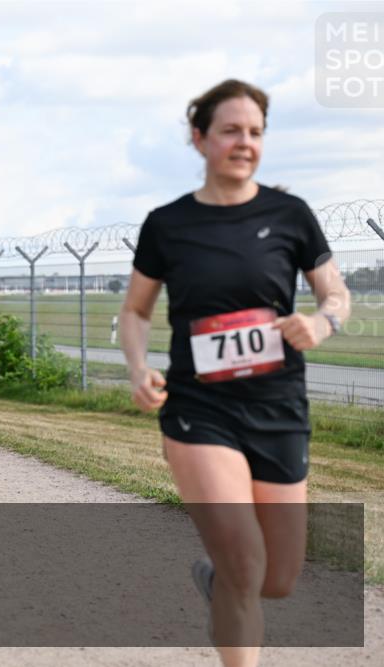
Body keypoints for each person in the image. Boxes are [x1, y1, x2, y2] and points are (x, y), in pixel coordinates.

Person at [119, 80, 351, 667]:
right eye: (230, 130)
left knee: (277, 579)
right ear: (199, 138)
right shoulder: (167, 224)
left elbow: (337, 296)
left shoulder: (291, 214)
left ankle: (215, 581)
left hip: (279, 407)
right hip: (200, 409)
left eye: (254, 132)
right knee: (245, 562)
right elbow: (136, 310)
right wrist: (139, 366)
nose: (244, 142)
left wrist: (322, 324)